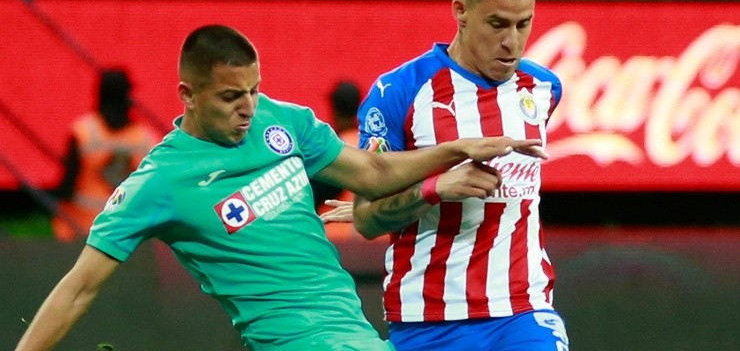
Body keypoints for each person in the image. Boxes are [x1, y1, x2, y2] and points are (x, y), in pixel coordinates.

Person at [15, 24, 547, 351]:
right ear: (188, 95)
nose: (248, 107)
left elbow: (374, 175)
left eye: (254, 89)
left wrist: (455, 150)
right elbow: (79, 287)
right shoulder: (160, 181)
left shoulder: (283, 123)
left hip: (357, 335)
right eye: (230, 97)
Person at [335, 0, 570, 351]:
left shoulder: (544, 88)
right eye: (497, 24)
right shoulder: (400, 93)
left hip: (524, 309)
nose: (512, 42)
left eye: (523, 24)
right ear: (460, 12)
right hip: (428, 320)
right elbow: (368, 221)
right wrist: (434, 187)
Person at [51, 68, 158, 241]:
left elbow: (66, 188)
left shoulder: (82, 132)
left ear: (99, 94)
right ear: (128, 96)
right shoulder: (145, 140)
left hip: (79, 232)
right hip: (126, 237)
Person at [311, 81, 362, 213]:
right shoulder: (372, 146)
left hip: (332, 228)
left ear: (334, 108)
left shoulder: (330, 149)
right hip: (374, 229)